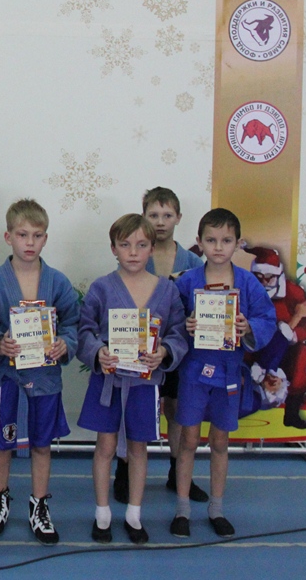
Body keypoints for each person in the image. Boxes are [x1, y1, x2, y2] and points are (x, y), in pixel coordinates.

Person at [0, 198, 80, 545]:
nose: (29, 242)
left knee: (42, 444)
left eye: (37, 235)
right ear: (8, 237)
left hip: (45, 380)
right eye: (22, 235)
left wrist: (65, 344)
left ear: (46, 238)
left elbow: (73, 323)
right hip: (7, 378)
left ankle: (39, 505)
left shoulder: (57, 282)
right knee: (2, 443)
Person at [76, 214, 188, 545]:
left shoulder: (167, 290)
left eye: (141, 245)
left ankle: (134, 514)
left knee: (138, 448)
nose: (133, 252)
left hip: (144, 385)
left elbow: (179, 333)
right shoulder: (101, 287)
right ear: (114, 248)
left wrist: (164, 351)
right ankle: (102, 513)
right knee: (105, 447)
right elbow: (84, 330)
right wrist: (97, 352)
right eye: (125, 245)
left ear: (152, 248)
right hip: (109, 382)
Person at [171, 208, 276, 539]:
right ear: (199, 242)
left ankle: (216, 509)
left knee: (220, 440)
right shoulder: (187, 281)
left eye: (226, 240)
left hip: (229, 371)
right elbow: (170, 320)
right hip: (194, 371)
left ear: (237, 243)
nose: (218, 247)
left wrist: (248, 327)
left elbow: (267, 318)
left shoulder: (247, 283)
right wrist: (185, 325)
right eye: (211, 240)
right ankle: (182, 510)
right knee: (188, 439)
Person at [113, 187, 207, 504]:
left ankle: (178, 472)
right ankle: (124, 470)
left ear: (178, 218)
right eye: (153, 215)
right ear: (143, 216)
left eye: (167, 215)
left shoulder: (193, 261)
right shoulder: (136, 255)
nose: (161, 221)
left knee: (176, 409)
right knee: (133, 406)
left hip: (179, 348)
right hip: (139, 350)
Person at [244, 245, 306, 429]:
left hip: (286, 350)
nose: (264, 282)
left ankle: (291, 414)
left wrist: (293, 331)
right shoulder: (245, 290)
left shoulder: (293, 292)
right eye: (259, 277)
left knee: (302, 355)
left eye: (269, 277)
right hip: (254, 347)